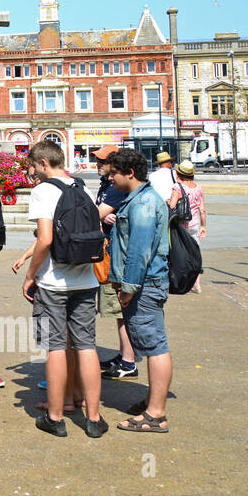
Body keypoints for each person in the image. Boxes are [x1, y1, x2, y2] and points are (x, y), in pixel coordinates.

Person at [17, 141, 106, 438]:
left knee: (55, 347)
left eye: (31, 166)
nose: (30, 172)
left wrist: (31, 275)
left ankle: (55, 417)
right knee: (86, 346)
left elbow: (44, 239)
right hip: (85, 279)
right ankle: (93, 418)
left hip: (54, 281)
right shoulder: (82, 187)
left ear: (43, 163)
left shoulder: (43, 191)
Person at [108, 148, 173, 432]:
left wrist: (129, 288)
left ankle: (156, 414)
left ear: (129, 173)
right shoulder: (137, 199)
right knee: (150, 343)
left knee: (155, 346)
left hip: (145, 285)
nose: (110, 178)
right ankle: (152, 401)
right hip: (144, 284)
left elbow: (139, 250)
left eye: (114, 173)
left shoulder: (144, 202)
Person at [90, 146, 137, 380]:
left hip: (114, 254)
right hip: (109, 250)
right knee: (118, 312)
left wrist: (101, 215)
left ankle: (128, 361)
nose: (98, 164)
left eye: (102, 161)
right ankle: (124, 356)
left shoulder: (116, 188)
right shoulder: (106, 185)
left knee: (120, 309)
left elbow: (98, 213)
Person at [175, 161, 206, 293]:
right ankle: (197, 285)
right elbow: (202, 209)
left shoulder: (177, 188)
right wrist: (203, 226)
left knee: (182, 255)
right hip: (194, 225)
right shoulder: (198, 188)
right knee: (195, 254)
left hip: (181, 226)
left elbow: (172, 205)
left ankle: (184, 284)